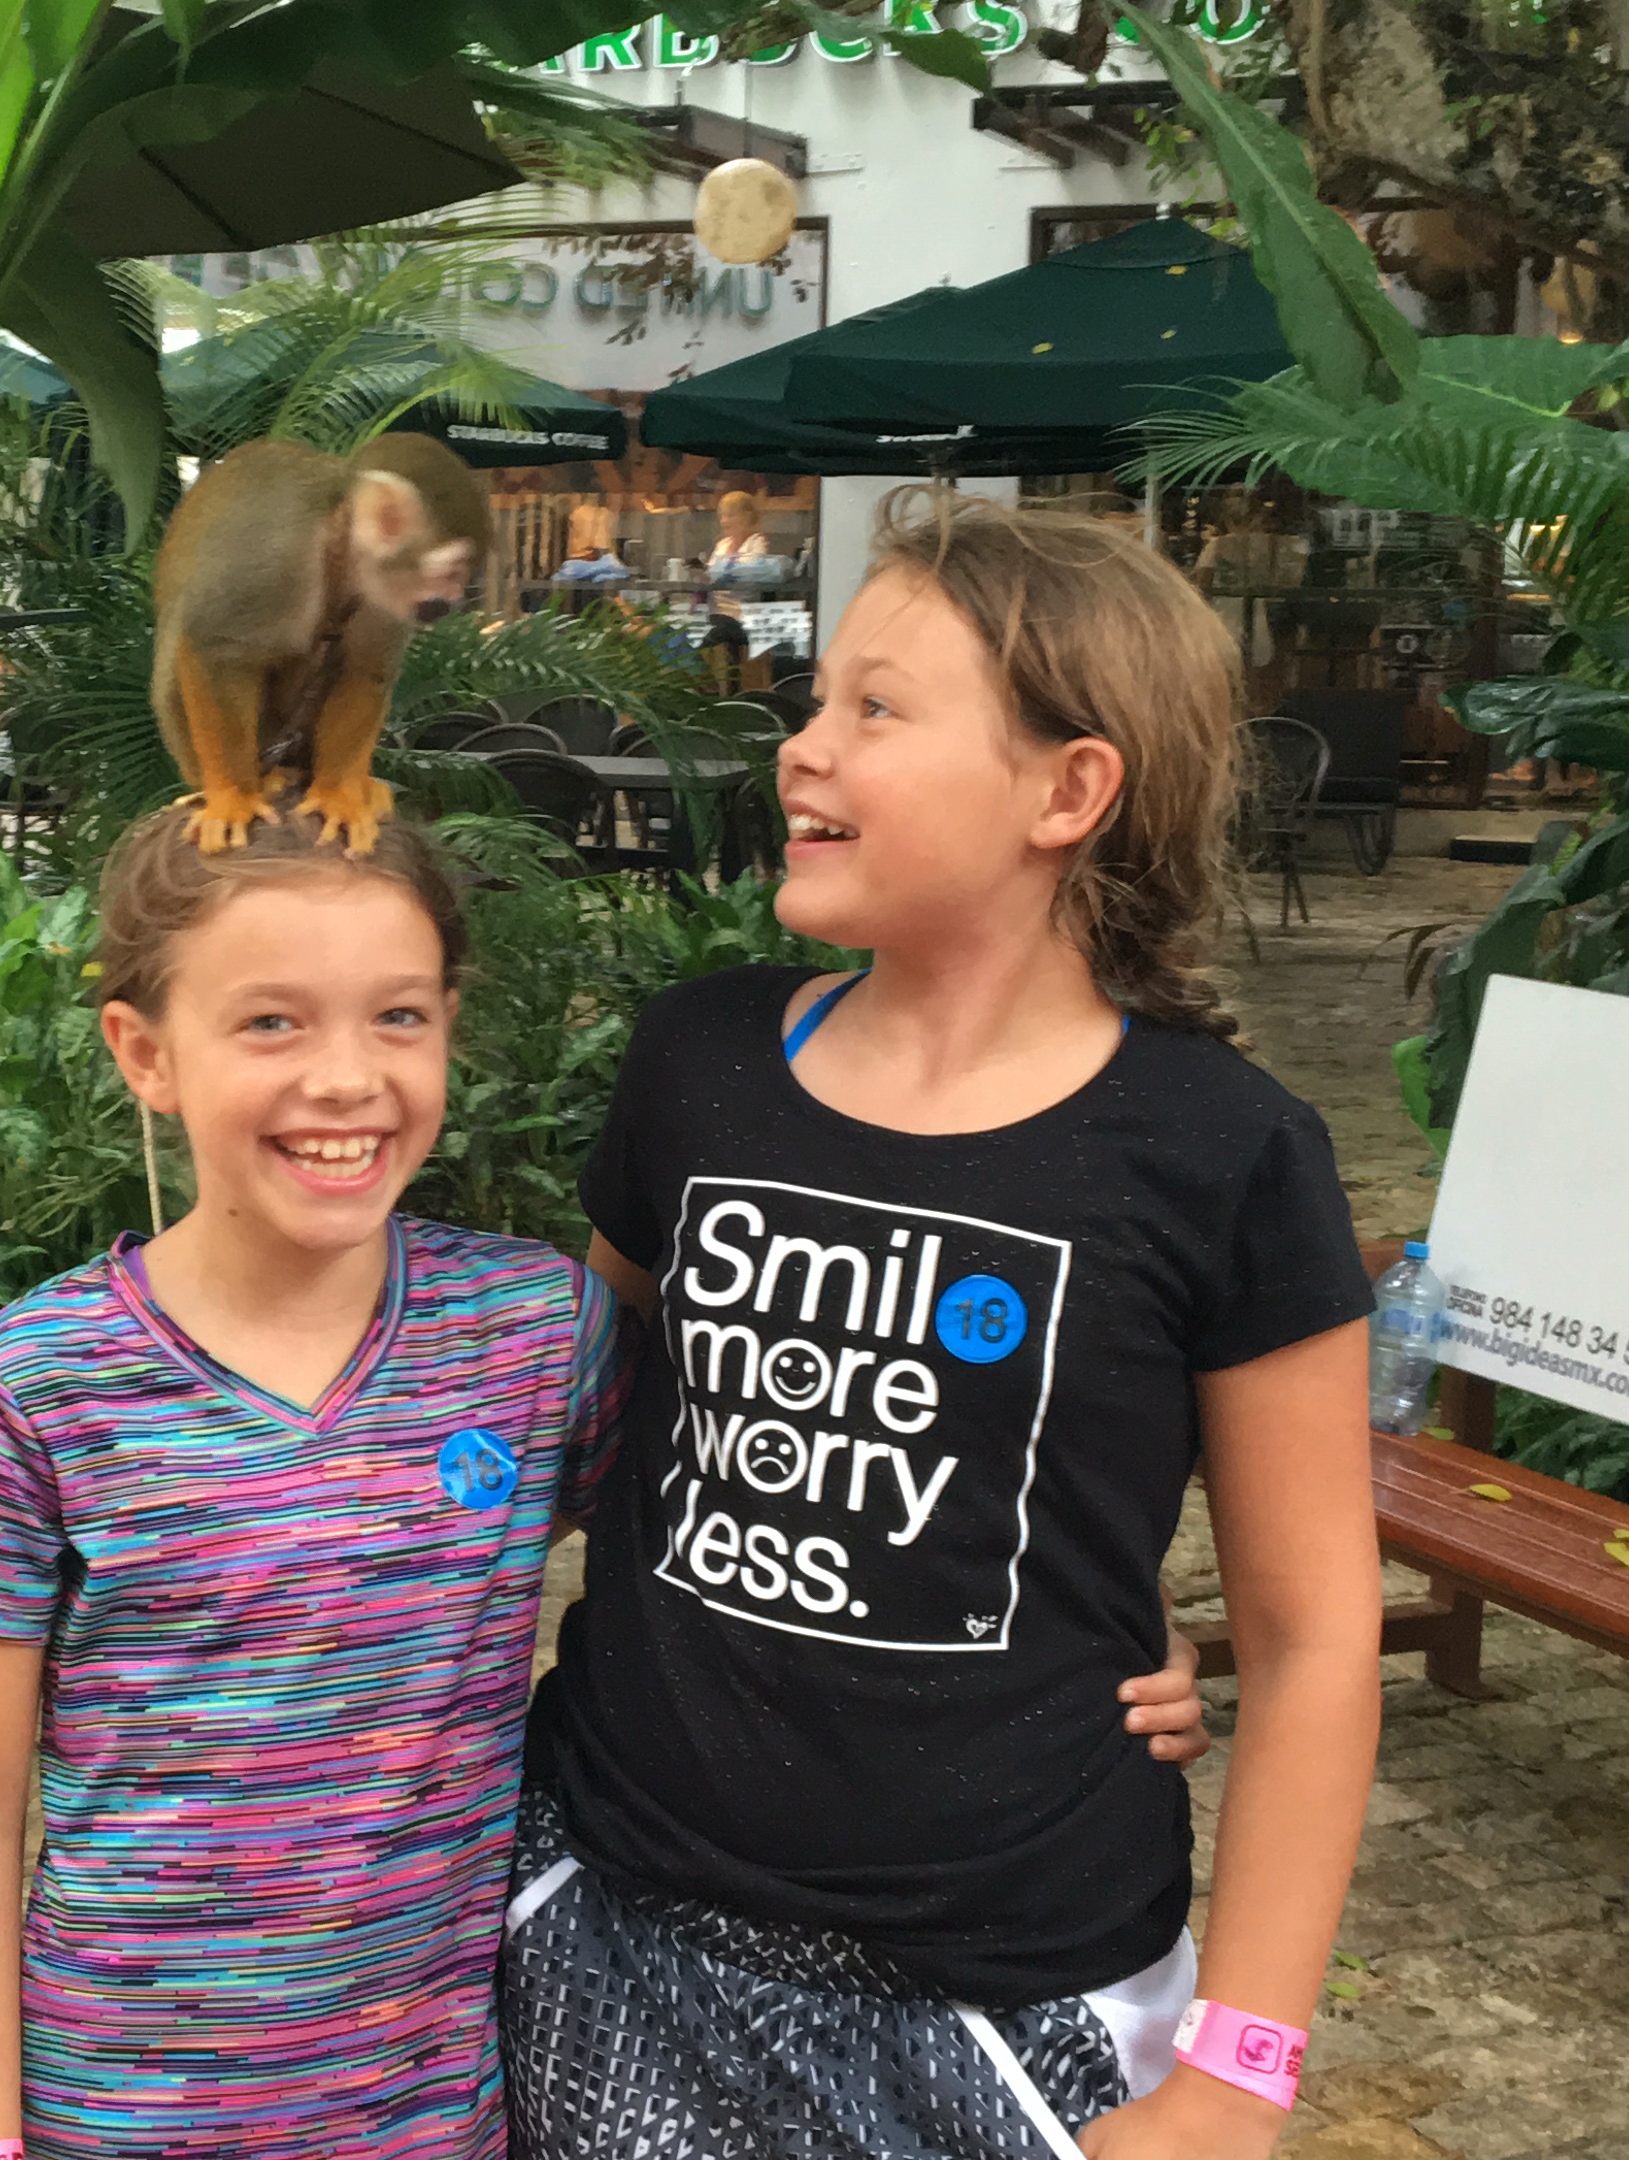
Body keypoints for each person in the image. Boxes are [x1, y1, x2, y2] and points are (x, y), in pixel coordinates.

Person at [0, 801, 1217, 2158]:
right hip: (118, 2111)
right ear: (145, 1051)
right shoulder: (34, 1388)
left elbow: (778, 1491)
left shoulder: (534, 1336)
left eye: (398, 1017)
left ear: (449, 1026)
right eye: (271, 1022)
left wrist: (1095, 1620)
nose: (346, 1077)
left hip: (438, 2113)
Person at [506, 487, 1384, 2160]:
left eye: (877, 709)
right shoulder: (698, 1063)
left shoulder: (1223, 1153)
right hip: (611, 1928)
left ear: (1069, 789)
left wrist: (1237, 2077)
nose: (802, 747)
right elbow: (584, 1436)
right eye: (815, 698)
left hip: (1008, 2004)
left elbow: (1319, 1638)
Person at [710, 487, 776, 583]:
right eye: (722, 516)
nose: (723, 521)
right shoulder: (722, 544)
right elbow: (710, 575)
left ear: (747, 517)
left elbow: (751, 573)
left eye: (730, 515)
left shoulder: (757, 542)